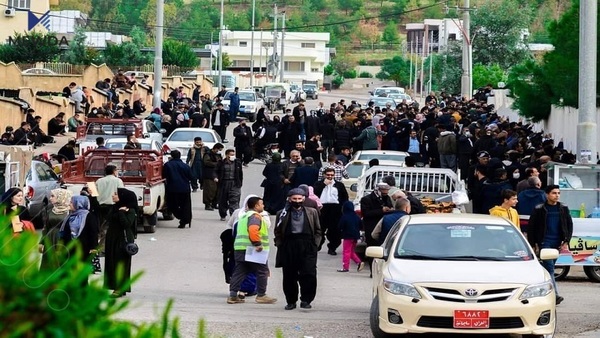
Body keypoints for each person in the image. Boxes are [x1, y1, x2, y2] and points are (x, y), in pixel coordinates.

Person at [274, 188, 322, 310]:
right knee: (289, 275)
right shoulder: (282, 213)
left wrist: (315, 244)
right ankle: (291, 301)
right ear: (289, 199)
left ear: (304, 199)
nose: (297, 201)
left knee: (309, 273)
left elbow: (318, 230)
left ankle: (306, 299)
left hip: (308, 245)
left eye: (299, 199)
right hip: (289, 246)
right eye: (294, 199)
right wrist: (280, 244)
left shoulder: (312, 212)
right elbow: (278, 231)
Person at [226, 196, 277, 305]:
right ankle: (261, 295)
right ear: (256, 205)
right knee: (262, 271)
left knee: (239, 271)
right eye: (261, 204)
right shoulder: (255, 216)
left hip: (240, 248)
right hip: (253, 249)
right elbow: (253, 229)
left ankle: (233, 295)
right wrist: (257, 244)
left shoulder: (243, 216)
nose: (263, 206)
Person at [527, 185, 573, 305]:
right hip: (544, 242)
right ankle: (555, 295)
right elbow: (532, 227)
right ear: (547, 194)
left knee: (549, 268)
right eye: (554, 193)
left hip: (557, 242)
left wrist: (566, 241)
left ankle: (546, 291)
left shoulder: (563, 208)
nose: (556, 195)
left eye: (558, 193)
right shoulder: (539, 209)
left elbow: (569, 224)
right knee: (550, 268)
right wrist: (533, 244)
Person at [58, 195, 99, 286]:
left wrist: (93, 247)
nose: (70, 204)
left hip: (83, 248)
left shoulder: (89, 216)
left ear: (78, 203)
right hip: (69, 248)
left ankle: (81, 291)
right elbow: (64, 231)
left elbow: (93, 232)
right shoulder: (70, 216)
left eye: (72, 202)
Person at [104, 188, 137, 297]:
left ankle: (119, 288)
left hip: (123, 240)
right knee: (112, 263)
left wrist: (122, 212)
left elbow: (127, 224)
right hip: (113, 239)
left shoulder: (130, 210)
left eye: (116, 194)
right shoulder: (114, 207)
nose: (113, 196)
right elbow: (108, 218)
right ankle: (116, 287)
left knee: (121, 264)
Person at [313, 167, 349, 255]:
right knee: (319, 229)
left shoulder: (339, 185)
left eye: (332, 175)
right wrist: (323, 185)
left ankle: (332, 247)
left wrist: (343, 208)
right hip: (322, 208)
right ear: (324, 175)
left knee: (335, 231)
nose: (330, 177)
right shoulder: (318, 184)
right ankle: (317, 245)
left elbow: (345, 197)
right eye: (328, 175)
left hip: (335, 209)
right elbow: (314, 193)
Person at [360, 182, 393, 277]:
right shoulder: (366, 199)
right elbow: (366, 214)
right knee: (372, 251)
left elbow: (390, 206)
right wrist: (381, 211)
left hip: (384, 228)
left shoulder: (387, 198)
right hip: (371, 228)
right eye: (383, 192)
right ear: (378, 190)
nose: (385, 194)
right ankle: (372, 271)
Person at [39, 189, 73, 271]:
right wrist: (41, 242)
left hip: (62, 239)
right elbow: (46, 227)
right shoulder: (51, 210)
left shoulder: (69, 212)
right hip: (50, 237)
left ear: (61, 197)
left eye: (53, 196)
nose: (50, 198)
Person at [95, 165, 125, 254]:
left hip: (99, 207)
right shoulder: (118, 181)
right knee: (107, 228)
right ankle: (102, 248)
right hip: (111, 207)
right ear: (114, 171)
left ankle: (97, 247)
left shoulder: (99, 181)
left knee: (99, 227)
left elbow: (93, 194)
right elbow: (122, 193)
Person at [163, 150, 194, 228]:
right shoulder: (185, 166)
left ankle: (180, 216)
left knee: (172, 205)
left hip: (172, 189)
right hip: (185, 189)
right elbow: (191, 177)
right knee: (185, 206)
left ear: (171, 156)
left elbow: (164, 176)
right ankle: (185, 220)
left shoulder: (167, 165)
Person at [216, 149, 243, 221]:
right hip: (224, 183)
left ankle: (233, 215)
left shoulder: (237, 163)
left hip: (234, 183)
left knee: (234, 200)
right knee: (223, 200)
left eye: (233, 154)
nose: (232, 156)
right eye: (231, 155)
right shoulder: (221, 163)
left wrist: (239, 183)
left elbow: (240, 173)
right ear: (227, 155)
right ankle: (223, 214)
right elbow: (215, 171)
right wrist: (215, 177)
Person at [337, 200, 365, 273]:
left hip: (347, 236)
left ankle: (345, 267)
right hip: (355, 236)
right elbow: (361, 226)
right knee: (351, 252)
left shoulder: (345, 216)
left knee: (346, 251)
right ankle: (359, 262)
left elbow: (340, 226)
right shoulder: (356, 216)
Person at [203, 143, 224, 210]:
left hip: (217, 174)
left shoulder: (218, 155)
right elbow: (206, 162)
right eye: (218, 149)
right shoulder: (208, 154)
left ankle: (214, 203)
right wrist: (217, 164)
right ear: (215, 148)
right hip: (209, 174)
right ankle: (207, 204)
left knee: (217, 191)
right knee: (209, 190)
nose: (219, 151)